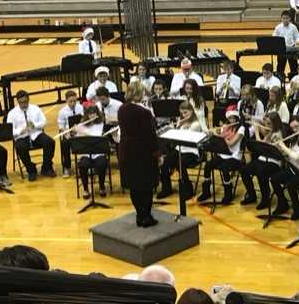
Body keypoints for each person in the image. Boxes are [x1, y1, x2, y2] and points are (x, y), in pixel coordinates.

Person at [118, 81, 159, 227]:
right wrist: (157, 152)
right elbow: (150, 135)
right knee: (146, 185)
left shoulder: (121, 109)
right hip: (142, 152)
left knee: (134, 185)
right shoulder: (144, 112)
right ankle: (146, 216)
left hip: (126, 151)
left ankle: (139, 215)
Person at [157, 101, 205, 200]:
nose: (183, 115)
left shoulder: (196, 124)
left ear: (192, 111)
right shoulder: (182, 122)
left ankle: (187, 189)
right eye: (182, 113)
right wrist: (173, 128)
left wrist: (179, 126)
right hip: (180, 149)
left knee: (180, 163)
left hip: (191, 152)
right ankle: (167, 188)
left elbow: (186, 138)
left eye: (186, 113)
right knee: (163, 162)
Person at [270, 115, 299, 219]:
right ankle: (283, 204)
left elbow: (296, 156)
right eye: (293, 128)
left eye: (297, 127)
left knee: (291, 185)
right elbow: (289, 156)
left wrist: (283, 146)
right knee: (274, 179)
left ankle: (298, 208)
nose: (295, 130)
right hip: (294, 169)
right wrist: (278, 148)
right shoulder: (293, 138)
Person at [198, 107, 245, 205]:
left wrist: (219, 136)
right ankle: (206, 191)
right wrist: (213, 134)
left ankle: (228, 193)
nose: (231, 120)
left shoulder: (241, 129)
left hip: (234, 156)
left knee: (224, 169)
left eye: (233, 118)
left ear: (237, 117)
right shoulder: (226, 126)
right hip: (223, 154)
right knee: (208, 166)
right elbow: (221, 139)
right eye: (230, 118)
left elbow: (231, 143)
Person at [7, 90, 56, 181]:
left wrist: (35, 125)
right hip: (22, 137)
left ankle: (46, 167)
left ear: (28, 100)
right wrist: (20, 131)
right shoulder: (12, 113)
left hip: (36, 134)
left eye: (25, 102)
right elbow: (9, 130)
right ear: (18, 102)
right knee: (20, 147)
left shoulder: (35, 108)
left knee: (50, 142)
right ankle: (31, 169)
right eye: (21, 103)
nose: (24, 104)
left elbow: (44, 121)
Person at [240, 111, 283, 208]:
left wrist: (256, 131)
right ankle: (252, 195)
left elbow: (261, 145)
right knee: (244, 171)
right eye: (266, 123)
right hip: (264, 159)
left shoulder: (277, 134)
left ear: (275, 123)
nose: (267, 126)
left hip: (274, 162)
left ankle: (265, 199)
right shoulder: (270, 132)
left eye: (269, 124)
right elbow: (262, 145)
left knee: (261, 172)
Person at [74, 105, 109, 199]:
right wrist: (73, 133)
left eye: (94, 114)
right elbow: (77, 141)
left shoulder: (101, 124)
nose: (92, 116)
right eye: (90, 114)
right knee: (82, 165)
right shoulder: (82, 125)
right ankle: (85, 189)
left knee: (102, 164)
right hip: (86, 153)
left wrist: (84, 132)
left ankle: (102, 186)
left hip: (99, 152)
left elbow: (97, 137)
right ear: (87, 115)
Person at [273, 11, 299, 75]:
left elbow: (297, 37)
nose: (285, 20)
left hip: (291, 49)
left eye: (287, 18)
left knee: (294, 67)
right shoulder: (278, 27)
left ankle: (293, 79)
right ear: (281, 19)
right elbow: (274, 38)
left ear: (290, 18)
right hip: (281, 50)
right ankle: (280, 79)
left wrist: (298, 41)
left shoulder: (293, 27)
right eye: (284, 18)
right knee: (280, 67)